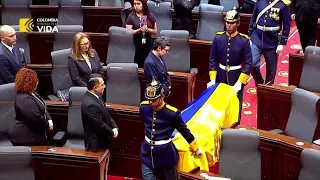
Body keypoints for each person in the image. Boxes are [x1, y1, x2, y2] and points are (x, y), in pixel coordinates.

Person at [140, 79, 202, 180]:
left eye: (154, 100)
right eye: (149, 99)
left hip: (166, 155)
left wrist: (195, 146)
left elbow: (184, 130)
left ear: (162, 97)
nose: (151, 102)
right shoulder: (143, 107)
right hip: (147, 153)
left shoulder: (172, 113)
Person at [208, 7, 253, 122]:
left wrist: (240, 82)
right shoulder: (218, 38)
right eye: (227, 22)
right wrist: (212, 79)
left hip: (235, 76)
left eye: (232, 23)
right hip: (221, 76)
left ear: (238, 23)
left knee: (235, 107)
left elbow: (248, 64)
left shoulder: (244, 40)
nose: (229, 25)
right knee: (219, 106)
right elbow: (213, 59)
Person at [249, 0, 291, 85]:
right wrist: (250, 35)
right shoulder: (260, 2)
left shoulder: (283, 4)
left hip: (272, 41)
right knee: (252, 64)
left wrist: (282, 43)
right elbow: (253, 18)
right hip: (258, 38)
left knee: (271, 71)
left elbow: (286, 25)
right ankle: (259, 82)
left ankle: (266, 89)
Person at [9, 68, 53, 146]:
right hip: (25, 137)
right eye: (36, 80)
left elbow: (43, 106)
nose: (37, 83)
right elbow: (35, 118)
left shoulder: (32, 92)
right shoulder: (24, 99)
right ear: (29, 82)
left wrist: (49, 119)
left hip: (35, 132)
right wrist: (48, 125)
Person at [81, 74, 118, 152]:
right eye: (102, 85)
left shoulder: (98, 96)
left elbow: (106, 114)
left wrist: (114, 127)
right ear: (95, 88)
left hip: (104, 139)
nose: (104, 86)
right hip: (96, 145)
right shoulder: (90, 105)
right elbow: (99, 125)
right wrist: (112, 133)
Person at [126, 0, 157, 68]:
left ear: (143, 5)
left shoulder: (150, 16)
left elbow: (155, 31)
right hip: (136, 44)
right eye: (134, 4)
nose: (136, 6)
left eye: (138, 4)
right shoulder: (131, 17)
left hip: (148, 43)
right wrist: (139, 30)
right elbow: (128, 32)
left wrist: (147, 29)